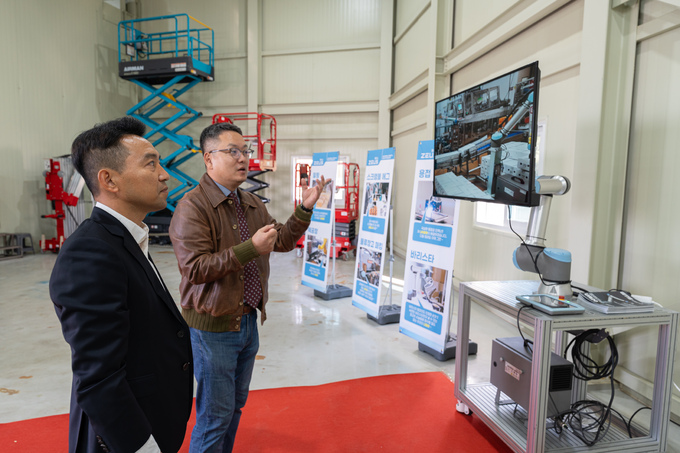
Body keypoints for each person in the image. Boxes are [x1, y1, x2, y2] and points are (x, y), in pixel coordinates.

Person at [169, 122, 328, 452]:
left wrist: (305, 209)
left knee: (233, 408)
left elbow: (281, 240)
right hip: (213, 328)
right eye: (233, 151)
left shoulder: (251, 203)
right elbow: (195, 269)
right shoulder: (192, 207)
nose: (243, 158)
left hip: (247, 322)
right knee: (215, 416)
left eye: (245, 151)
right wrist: (249, 249)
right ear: (208, 158)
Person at [50, 117, 194, 453]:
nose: (164, 175)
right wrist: (142, 447)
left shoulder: (127, 238)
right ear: (109, 180)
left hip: (152, 420)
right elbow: (98, 377)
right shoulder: (90, 252)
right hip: (125, 439)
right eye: (150, 164)